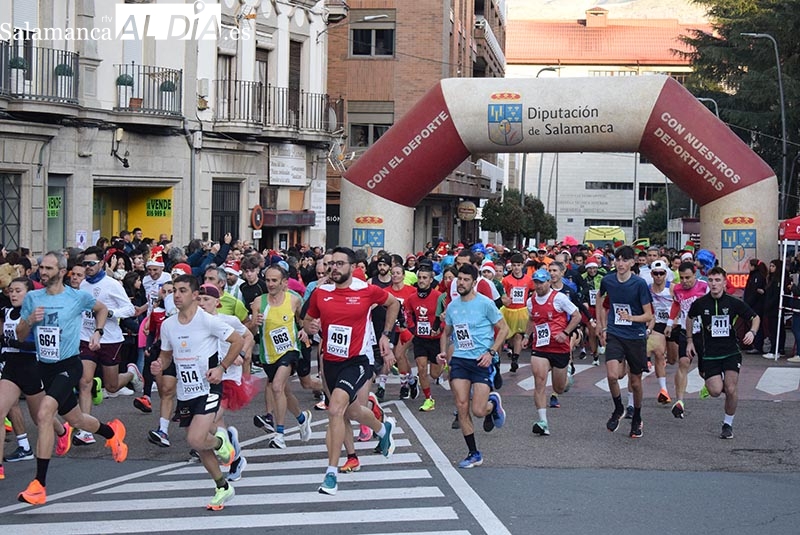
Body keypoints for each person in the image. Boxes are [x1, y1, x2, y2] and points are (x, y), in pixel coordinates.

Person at [16, 251, 128, 505]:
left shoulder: (77, 297)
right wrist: (30, 320)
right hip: (45, 367)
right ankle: (112, 433)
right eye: (41, 268)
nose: (42, 272)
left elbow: (101, 309)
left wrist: (98, 333)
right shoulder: (33, 298)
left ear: (61, 270)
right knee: (76, 418)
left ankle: (39, 485)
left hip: (69, 365)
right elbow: (22, 334)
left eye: (48, 268)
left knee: (45, 414)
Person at [304, 246, 399, 496]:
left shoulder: (365, 290)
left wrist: (386, 336)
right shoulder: (320, 293)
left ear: (352, 267)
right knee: (352, 410)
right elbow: (307, 319)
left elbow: (393, 304)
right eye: (331, 264)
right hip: (330, 361)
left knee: (335, 409)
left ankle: (331, 474)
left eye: (339, 264)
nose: (334, 268)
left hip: (357, 360)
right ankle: (382, 428)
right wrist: (310, 326)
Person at [151, 274, 245, 511]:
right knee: (201, 445)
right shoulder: (168, 324)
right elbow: (166, 354)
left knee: (194, 439)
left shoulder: (207, 321)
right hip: (186, 390)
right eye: (175, 291)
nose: (177, 295)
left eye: (183, 290)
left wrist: (221, 368)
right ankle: (223, 486)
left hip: (209, 386)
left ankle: (220, 441)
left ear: (194, 295)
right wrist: (159, 365)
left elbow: (237, 341)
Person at [437, 264, 509, 468]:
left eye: (466, 279)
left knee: (478, 410)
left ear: (474, 283)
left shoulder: (485, 304)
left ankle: (493, 404)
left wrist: (491, 352)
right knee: (461, 406)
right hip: (459, 359)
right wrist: (443, 351)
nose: (460, 282)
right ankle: (474, 453)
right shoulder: (452, 306)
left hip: (481, 360)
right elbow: (447, 331)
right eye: (459, 279)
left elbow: (504, 329)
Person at [75, 247, 141, 446]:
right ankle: (85, 430)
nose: (88, 268)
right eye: (85, 264)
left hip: (110, 339)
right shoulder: (81, 285)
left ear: (102, 263)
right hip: (86, 337)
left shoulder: (111, 285)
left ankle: (131, 374)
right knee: (85, 382)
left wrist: (109, 313)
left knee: (111, 386)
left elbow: (130, 309)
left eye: (91, 264)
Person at [686, 267, 759, 439]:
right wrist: (689, 340)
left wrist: (752, 332)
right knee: (716, 391)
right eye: (711, 280)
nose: (714, 284)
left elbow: (755, 317)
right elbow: (689, 317)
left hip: (730, 352)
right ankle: (711, 384)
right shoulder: (701, 303)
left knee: (731, 388)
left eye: (718, 280)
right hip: (710, 353)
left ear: (725, 283)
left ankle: (727, 424)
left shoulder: (733, 302)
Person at [251, 265, 313, 450]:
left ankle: (279, 434)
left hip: (290, 350)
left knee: (277, 386)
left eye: (274, 280)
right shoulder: (258, 303)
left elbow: (304, 320)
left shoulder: (294, 300)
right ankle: (302, 419)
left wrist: (304, 330)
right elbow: (251, 330)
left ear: (283, 282)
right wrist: (254, 324)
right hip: (268, 354)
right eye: (268, 280)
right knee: (284, 392)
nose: (270, 284)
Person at [596, 246, 653, 439]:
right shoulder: (608, 280)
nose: (620, 263)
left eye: (624, 260)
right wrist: (601, 326)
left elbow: (648, 315)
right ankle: (618, 408)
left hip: (635, 336)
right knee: (612, 375)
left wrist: (630, 317)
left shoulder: (639, 284)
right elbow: (599, 298)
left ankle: (637, 416)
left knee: (635, 383)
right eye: (617, 259)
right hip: (615, 333)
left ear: (632, 263)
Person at [523, 269, 580, 436]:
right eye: (536, 282)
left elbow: (576, 316)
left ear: (549, 282)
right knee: (539, 382)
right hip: (540, 347)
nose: (539, 286)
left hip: (559, 347)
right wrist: (527, 335)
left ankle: (567, 375)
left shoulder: (560, 298)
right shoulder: (531, 301)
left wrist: (566, 333)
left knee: (559, 388)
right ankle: (543, 422)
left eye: (542, 282)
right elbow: (532, 319)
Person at [664, 262, 709, 419]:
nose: (684, 281)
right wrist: (670, 323)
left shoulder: (705, 286)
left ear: (695, 274)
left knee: (704, 371)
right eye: (682, 278)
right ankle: (680, 401)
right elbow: (676, 304)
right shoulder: (677, 289)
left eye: (688, 278)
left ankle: (707, 384)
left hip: (703, 332)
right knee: (683, 363)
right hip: (685, 330)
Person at [405, 262, 443, 411]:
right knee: (421, 368)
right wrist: (413, 329)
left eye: (425, 278)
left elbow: (446, 317)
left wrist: (439, 329)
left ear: (430, 280)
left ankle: (442, 366)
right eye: (419, 277)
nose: (421, 280)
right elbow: (407, 314)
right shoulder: (412, 298)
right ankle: (428, 399)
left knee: (434, 374)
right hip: (420, 339)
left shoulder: (438, 297)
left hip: (435, 339)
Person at [646, 260, 674, 405]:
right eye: (655, 273)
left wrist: (674, 320)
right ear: (651, 274)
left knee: (673, 359)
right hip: (657, 324)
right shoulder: (648, 289)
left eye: (661, 273)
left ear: (665, 274)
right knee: (658, 354)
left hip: (673, 325)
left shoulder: (672, 288)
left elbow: (681, 305)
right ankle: (664, 391)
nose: (658, 276)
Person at [501, 253, 533, 373]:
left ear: (522, 265)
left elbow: (533, 291)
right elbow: (503, 294)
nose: (516, 268)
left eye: (518, 265)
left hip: (521, 311)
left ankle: (515, 359)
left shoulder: (528, 280)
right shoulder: (506, 280)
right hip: (508, 311)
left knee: (519, 335)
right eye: (514, 265)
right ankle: (504, 353)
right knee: (506, 336)